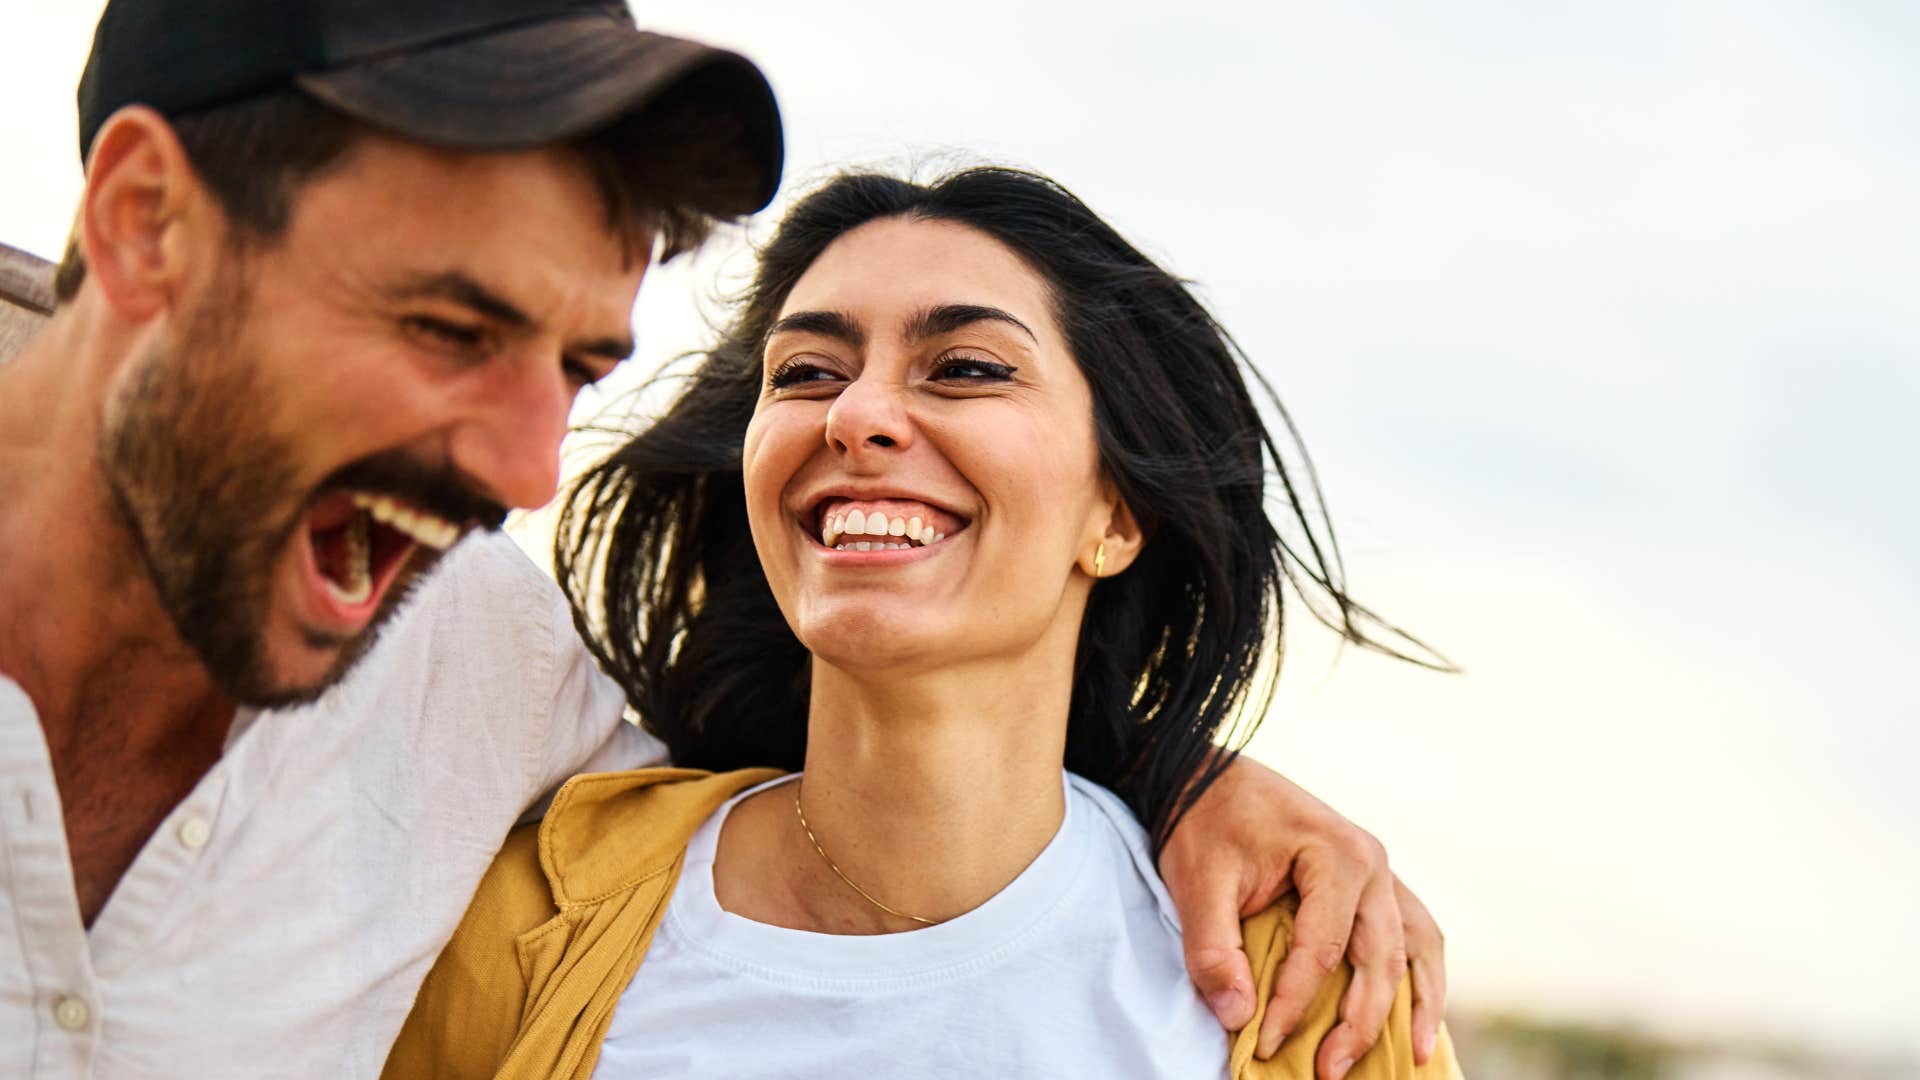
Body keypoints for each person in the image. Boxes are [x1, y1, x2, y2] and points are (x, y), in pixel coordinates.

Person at [0, 1, 1445, 1076]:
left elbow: (879, 787)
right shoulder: (521, 824)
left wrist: (1176, 765)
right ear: (143, 228)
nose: (521, 472)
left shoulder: (479, 663)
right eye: (448, 328)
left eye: (574, 368)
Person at [386, 166, 1460, 1079]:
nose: (855, 416)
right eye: (806, 373)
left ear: (1117, 515)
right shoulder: (528, 914)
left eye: (966, 369)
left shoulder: (1314, 987)